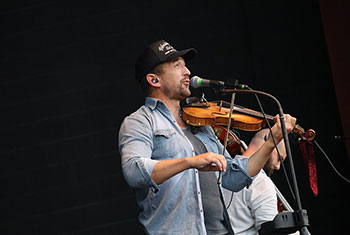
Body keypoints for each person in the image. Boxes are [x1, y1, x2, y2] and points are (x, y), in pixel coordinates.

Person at [118, 40, 297, 235]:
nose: (187, 72)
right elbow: (134, 172)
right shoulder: (139, 121)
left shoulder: (199, 121)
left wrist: (271, 142)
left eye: (185, 65)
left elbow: (234, 179)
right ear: (154, 80)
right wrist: (191, 162)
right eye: (177, 66)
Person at [224, 128, 287, 234]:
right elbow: (270, 232)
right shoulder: (261, 182)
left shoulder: (220, 169)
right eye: (279, 158)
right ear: (269, 141)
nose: (277, 166)